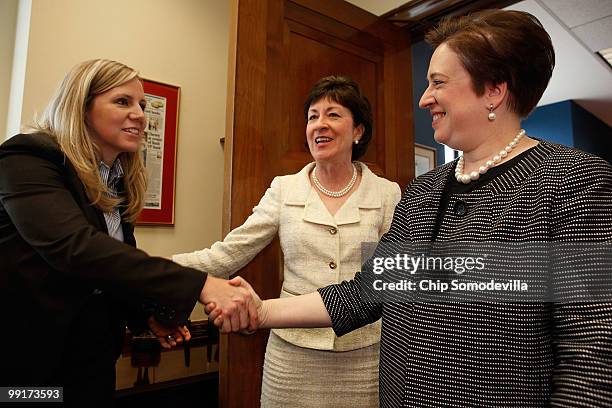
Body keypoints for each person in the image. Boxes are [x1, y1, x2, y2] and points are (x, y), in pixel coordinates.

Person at [209, 10, 612, 407]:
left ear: (494, 89)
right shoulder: (423, 191)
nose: (424, 99)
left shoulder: (574, 182)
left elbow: (592, 362)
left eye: (437, 82)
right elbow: (367, 292)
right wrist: (260, 312)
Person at [0, 59, 256, 407]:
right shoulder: (27, 157)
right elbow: (77, 249)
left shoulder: (115, 180)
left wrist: (146, 316)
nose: (140, 115)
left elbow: (105, 275)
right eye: (123, 101)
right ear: (81, 104)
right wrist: (200, 283)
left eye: (143, 105)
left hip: (90, 363)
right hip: (26, 368)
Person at [173, 76, 401, 407]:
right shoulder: (284, 189)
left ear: (358, 131)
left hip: (363, 356)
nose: (319, 124)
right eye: (313, 116)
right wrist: (148, 269)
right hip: (291, 356)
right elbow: (226, 256)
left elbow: (384, 282)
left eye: (333, 114)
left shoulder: (385, 193)